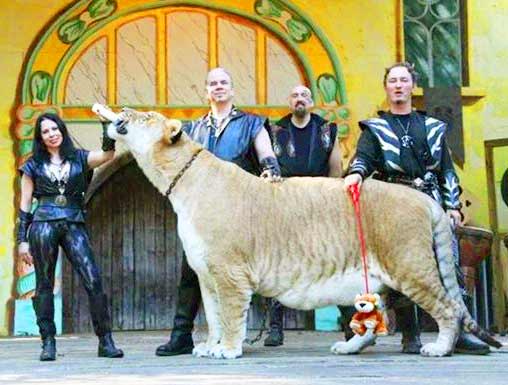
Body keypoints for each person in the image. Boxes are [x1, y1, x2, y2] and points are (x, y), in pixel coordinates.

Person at [342, 62, 490, 355]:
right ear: (386, 87)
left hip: (429, 202)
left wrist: (453, 207)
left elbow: (447, 170)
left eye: (403, 80)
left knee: (447, 264)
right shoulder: (375, 128)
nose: (398, 85)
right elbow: (363, 158)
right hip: (392, 203)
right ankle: (409, 332)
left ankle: (458, 331)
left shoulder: (432, 127)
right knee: (395, 267)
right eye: (393, 81)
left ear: (412, 86)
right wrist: (355, 173)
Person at [155, 67, 281, 356]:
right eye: (213, 83)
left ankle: (264, 331)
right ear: (206, 91)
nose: (218, 87)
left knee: (244, 271)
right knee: (191, 272)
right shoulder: (194, 129)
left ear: (232, 89)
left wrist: (271, 169)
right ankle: (181, 335)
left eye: (224, 82)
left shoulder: (252, 123)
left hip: (239, 211)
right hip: (201, 213)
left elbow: (266, 154)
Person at [17, 113, 123, 361]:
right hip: (42, 224)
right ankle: (48, 343)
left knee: (93, 279)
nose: (52, 133)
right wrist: (22, 241)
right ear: (40, 137)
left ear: (62, 130)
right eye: (46, 131)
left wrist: (107, 125)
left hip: (73, 222)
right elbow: (24, 206)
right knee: (44, 284)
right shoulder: (32, 165)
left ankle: (105, 341)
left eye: (55, 128)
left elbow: (108, 155)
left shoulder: (79, 157)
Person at [263, 84, 342, 346]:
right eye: (295, 95)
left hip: (319, 205)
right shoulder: (274, 130)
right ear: (289, 101)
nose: (300, 99)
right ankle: (275, 328)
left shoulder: (327, 130)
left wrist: (331, 202)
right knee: (279, 264)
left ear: (311, 102)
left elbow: (336, 168)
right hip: (284, 206)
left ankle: (351, 325)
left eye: (304, 96)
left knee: (330, 263)